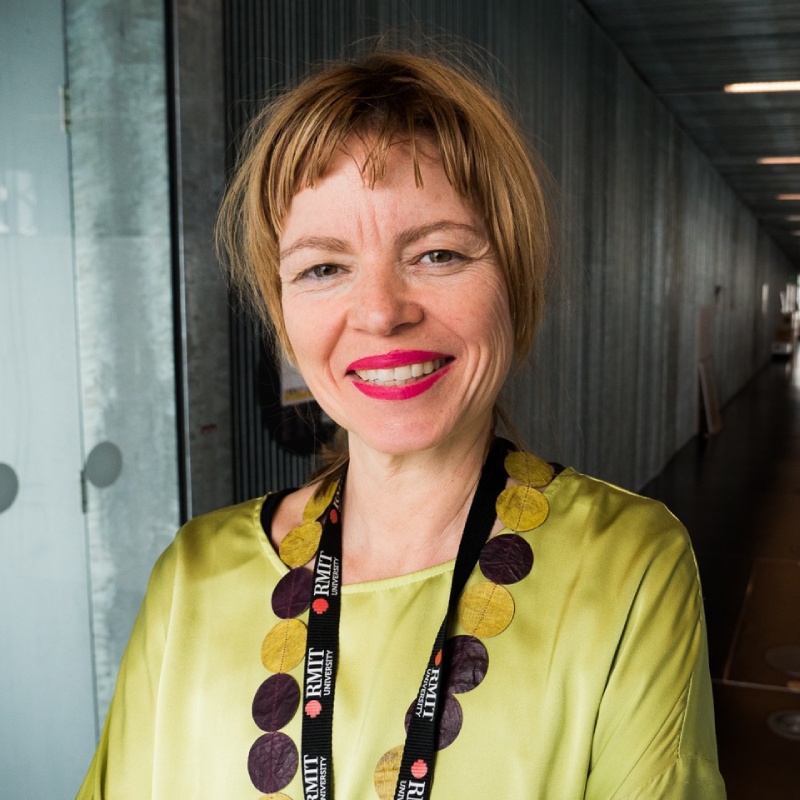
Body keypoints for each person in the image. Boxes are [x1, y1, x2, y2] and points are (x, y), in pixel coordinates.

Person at [77, 50, 727, 799]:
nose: (382, 311)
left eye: (438, 254)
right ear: (283, 317)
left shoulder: (628, 569)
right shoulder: (190, 579)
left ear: (512, 282)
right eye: (323, 268)